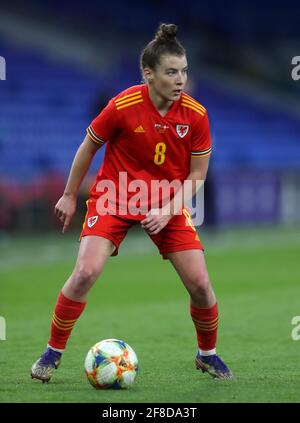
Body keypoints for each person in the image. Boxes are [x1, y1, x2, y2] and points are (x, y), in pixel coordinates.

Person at [31, 23, 233, 382]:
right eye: (171, 72)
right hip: (114, 196)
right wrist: (67, 194)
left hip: (167, 203)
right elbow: (89, 145)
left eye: (184, 71)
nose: (180, 79)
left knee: (201, 285)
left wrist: (168, 209)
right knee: (85, 273)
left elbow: (197, 175)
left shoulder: (196, 115)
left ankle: (208, 355)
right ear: (149, 74)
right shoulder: (122, 105)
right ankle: (52, 352)